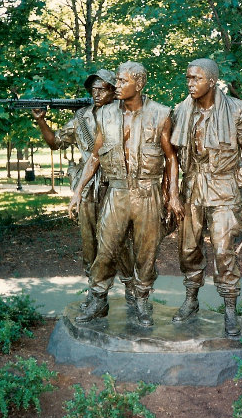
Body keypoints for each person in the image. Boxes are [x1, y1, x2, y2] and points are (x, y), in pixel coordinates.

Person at [68, 61, 184, 327]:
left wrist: (173, 195)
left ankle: (142, 300)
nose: (116, 86)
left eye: (122, 82)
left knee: (146, 252)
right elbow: (95, 157)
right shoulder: (105, 114)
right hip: (117, 191)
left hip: (148, 191)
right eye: (117, 81)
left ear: (139, 84)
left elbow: (171, 158)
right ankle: (98, 299)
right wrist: (78, 191)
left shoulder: (161, 114)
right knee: (106, 249)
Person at [170, 58, 242, 338]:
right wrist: (172, 193)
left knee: (224, 250)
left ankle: (230, 309)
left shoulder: (236, 109)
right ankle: (191, 300)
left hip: (224, 186)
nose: (190, 84)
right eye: (188, 78)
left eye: (196, 79)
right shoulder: (180, 111)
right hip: (192, 186)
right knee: (188, 249)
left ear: (212, 81)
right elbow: (172, 157)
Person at [32, 69, 134, 308]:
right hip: (87, 187)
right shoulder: (81, 118)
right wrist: (41, 121)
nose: (96, 93)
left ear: (113, 91)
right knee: (89, 243)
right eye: (93, 89)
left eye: (103, 88)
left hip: (116, 185)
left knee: (120, 240)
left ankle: (132, 289)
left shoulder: (124, 115)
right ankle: (96, 295)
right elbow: (55, 142)